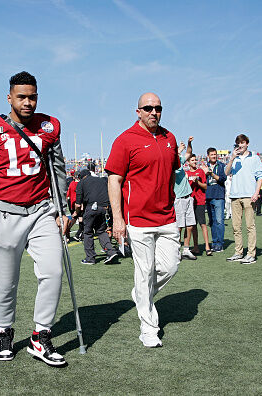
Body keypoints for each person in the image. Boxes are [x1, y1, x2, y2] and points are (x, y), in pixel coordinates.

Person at [0, 71, 69, 365]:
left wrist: (61, 209)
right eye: (22, 97)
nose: (28, 102)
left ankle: (41, 337)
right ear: (9, 98)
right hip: (7, 213)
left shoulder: (48, 127)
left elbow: (59, 171)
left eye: (33, 97)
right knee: (5, 284)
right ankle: (5, 331)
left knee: (53, 273)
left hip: (41, 211)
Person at [105, 92, 180, 348]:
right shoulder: (125, 140)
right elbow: (114, 179)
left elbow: (172, 173)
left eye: (158, 108)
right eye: (148, 108)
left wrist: (169, 199)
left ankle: (141, 294)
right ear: (138, 111)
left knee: (170, 267)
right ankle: (149, 329)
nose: (154, 112)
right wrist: (117, 219)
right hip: (137, 219)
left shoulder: (170, 138)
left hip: (167, 217)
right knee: (144, 271)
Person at [224, 134, 262, 264]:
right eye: (238, 143)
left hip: (249, 196)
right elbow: (226, 173)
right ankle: (238, 252)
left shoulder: (255, 158)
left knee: (250, 226)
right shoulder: (234, 159)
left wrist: (256, 193)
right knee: (236, 227)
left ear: (247, 143)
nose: (240, 145)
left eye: (242, 143)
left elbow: (260, 177)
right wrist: (231, 159)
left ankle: (251, 254)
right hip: (235, 196)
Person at [75, 168, 118, 265]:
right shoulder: (101, 180)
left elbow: (78, 204)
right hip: (104, 208)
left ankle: (90, 258)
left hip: (91, 208)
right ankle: (110, 252)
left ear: (82, 177)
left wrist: (76, 213)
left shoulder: (82, 182)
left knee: (88, 232)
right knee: (101, 231)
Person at [200, 147, 227, 252]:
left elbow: (222, 179)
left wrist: (210, 173)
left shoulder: (221, 166)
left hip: (218, 196)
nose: (214, 156)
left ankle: (219, 244)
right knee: (212, 221)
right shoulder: (204, 166)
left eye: (215, 154)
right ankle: (214, 242)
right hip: (208, 196)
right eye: (212, 155)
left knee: (219, 221)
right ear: (208, 156)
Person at [174, 137, 196, 260]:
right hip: (179, 199)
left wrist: (189, 143)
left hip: (188, 197)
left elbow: (188, 153)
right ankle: (176, 250)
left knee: (190, 225)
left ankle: (186, 249)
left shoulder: (180, 160)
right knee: (179, 226)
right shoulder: (172, 163)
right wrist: (178, 152)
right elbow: (174, 163)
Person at [186, 154, 212, 255]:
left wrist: (197, 182)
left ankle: (207, 246)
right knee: (193, 225)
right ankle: (196, 247)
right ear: (188, 162)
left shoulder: (200, 171)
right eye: (192, 160)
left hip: (200, 201)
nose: (195, 162)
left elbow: (205, 186)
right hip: (190, 201)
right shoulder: (186, 173)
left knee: (203, 224)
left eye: (195, 160)